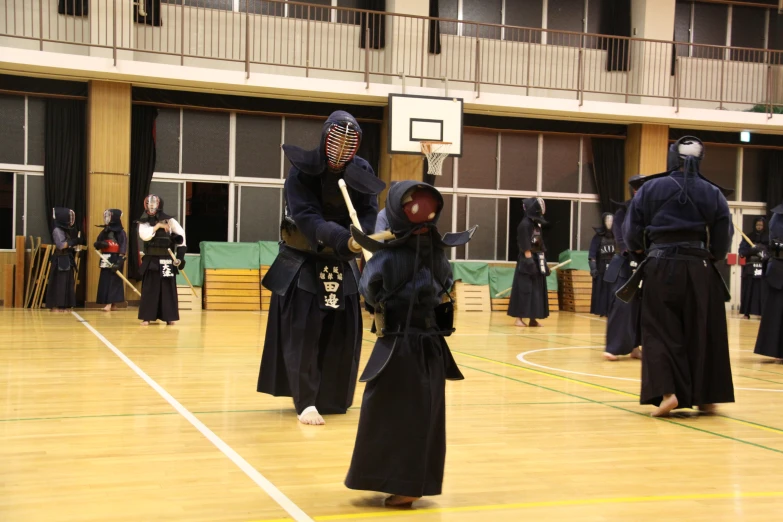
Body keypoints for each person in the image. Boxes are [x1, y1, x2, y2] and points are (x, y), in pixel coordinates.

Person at [344, 181, 474, 507]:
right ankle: (406, 480)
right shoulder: (439, 255)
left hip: (398, 347)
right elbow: (445, 284)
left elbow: (370, 291)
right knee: (421, 414)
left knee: (394, 413)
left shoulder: (386, 259)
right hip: (430, 347)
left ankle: (406, 485)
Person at [257, 111, 384, 426]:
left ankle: (331, 397)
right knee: (304, 332)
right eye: (336, 139)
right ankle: (306, 402)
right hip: (304, 258)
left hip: (342, 262)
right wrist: (343, 239)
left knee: (342, 333)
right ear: (326, 137)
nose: (341, 147)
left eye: (348, 141)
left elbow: (367, 210)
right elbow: (306, 215)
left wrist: (362, 237)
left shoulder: (363, 171)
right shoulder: (301, 171)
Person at [623, 136, 735, 417]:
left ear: (672, 157)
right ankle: (706, 397)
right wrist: (713, 257)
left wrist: (640, 254)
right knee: (703, 329)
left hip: (659, 265)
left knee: (660, 330)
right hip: (699, 266)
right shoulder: (712, 192)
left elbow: (632, 233)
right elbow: (723, 238)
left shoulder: (650, 188)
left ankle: (669, 394)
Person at [603, 180, 643, 361]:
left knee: (642, 308)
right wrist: (634, 249)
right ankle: (613, 347)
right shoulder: (621, 214)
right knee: (621, 305)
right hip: (625, 263)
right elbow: (620, 239)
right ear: (634, 190)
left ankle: (635, 346)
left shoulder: (651, 213)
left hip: (646, 263)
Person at [137, 195, 187, 326]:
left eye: (153, 204)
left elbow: (181, 237)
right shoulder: (144, 222)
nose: (151, 206)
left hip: (166, 259)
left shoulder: (170, 221)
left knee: (167, 289)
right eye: (149, 204)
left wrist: (180, 258)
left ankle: (169, 316)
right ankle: (147, 317)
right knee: (150, 289)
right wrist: (158, 225)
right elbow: (144, 236)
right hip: (151, 259)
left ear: (159, 205)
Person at [507, 198, 550, 327]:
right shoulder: (524, 225)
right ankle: (519, 319)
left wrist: (544, 263)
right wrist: (530, 261)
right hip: (527, 261)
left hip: (538, 259)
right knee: (525, 290)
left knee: (537, 291)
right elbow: (525, 245)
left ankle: (533, 318)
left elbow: (540, 244)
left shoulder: (536, 224)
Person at [753, 205, 783, 363]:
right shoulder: (777, 218)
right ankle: (776, 350)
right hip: (779, 268)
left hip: (777, 267)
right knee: (776, 311)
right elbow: (775, 242)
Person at [46, 207, 85, 312]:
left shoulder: (63, 230)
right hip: (60, 259)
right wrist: (74, 241)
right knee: (60, 283)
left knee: (66, 282)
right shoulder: (57, 231)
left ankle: (64, 306)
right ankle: (56, 306)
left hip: (66, 258)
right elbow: (61, 245)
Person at [94, 209, 127, 311]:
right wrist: (100, 244)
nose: (107, 219)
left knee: (114, 280)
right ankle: (109, 303)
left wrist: (120, 260)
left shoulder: (121, 232)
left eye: (109, 217)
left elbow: (123, 245)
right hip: (105, 257)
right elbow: (97, 243)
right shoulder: (104, 231)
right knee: (105, 280)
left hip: (116, 258)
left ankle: (111, 303)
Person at [739, 217, 769, 319]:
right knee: (749, 290)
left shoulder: (768, 238)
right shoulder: (749, 237)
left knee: (762, 290)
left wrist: (764, 253)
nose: (759, 227)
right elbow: (742, 252)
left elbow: (771, 252)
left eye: (761, 225)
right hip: (750, 267)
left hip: (763, 268)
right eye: (757, 225)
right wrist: (752, 250)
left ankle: (762, 313)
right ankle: (746, 313)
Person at [589, 213, 615, 317]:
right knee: (602, 289)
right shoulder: (597, 237)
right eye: (607, 221)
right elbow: (592, 254)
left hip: (614, 266)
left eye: (611, 221)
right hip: (601, 266)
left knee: (613, 289)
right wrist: (593, 268)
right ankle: (601, 310)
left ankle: (612, 310)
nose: (609, 223)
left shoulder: (618, 236)